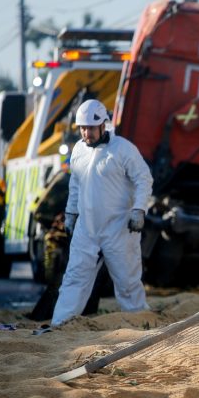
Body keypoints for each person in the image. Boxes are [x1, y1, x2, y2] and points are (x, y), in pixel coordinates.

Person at [51, 99, 153, 327]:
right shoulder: (78, 150)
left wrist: (138, 209)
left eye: (90, 127)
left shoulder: (123, 149)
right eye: (83, 128)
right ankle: (61, 325)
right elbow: (75, 185)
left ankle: (141, 322)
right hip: (87, 229)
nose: (86, 133)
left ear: (103, 125)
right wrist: (70, 213)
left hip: (119, 229)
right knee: (74, 278)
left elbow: (143, 179)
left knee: (127, 282)